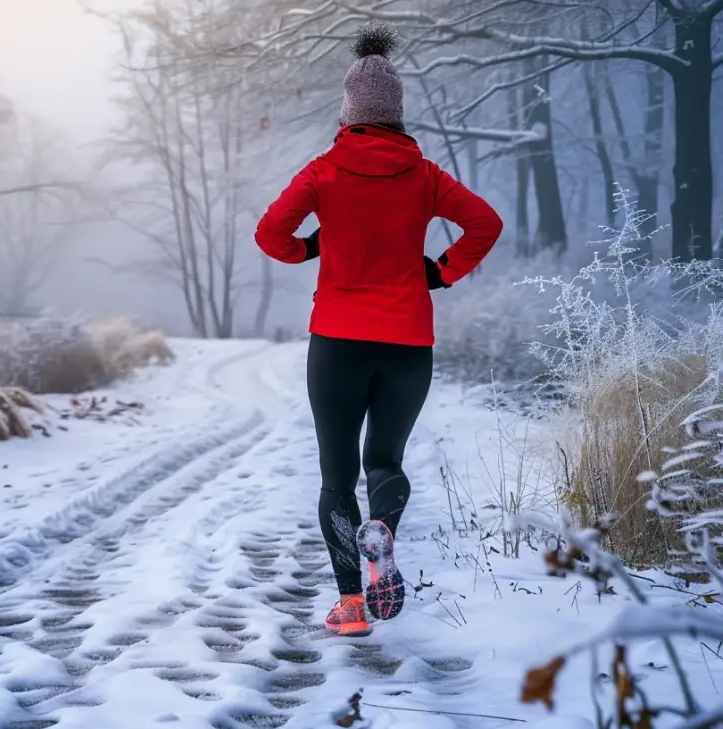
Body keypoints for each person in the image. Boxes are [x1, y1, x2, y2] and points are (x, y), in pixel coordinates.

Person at [253, 21, 503, 637]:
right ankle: (383, 525)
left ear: (348, 115)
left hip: (337, 343)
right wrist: (440, 275)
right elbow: (486, 224)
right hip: (408, 344)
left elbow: (269, 234)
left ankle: (351, 606)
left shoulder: (323, 172)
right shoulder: (425, 177)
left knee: (336, 475)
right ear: (396, 116)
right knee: (383, 461)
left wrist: (313, 247)